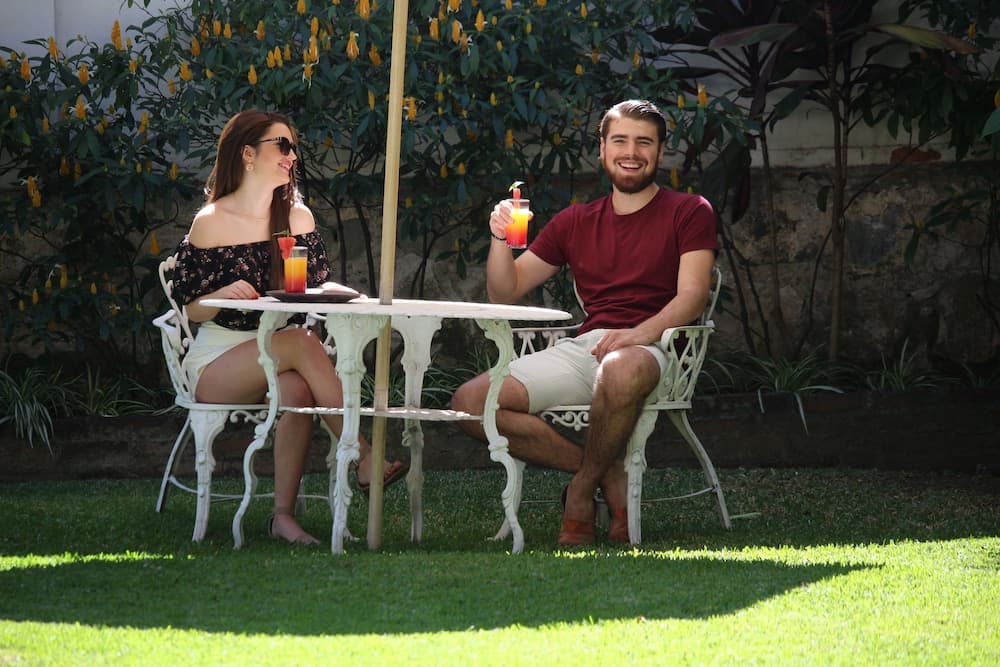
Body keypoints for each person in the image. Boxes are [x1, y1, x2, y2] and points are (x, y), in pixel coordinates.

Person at [451, 100, 718, 546]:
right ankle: (604, 473)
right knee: (470, 403)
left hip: (656, 347)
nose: (631, 152)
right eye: (620, 141)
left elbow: (692, 295)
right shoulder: (576, 220)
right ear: (602, 148)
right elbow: (505, 291)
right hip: (588, 347)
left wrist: (638, 334)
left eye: (644, 142)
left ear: (660, 151)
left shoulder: (690, 210)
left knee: (621, 366)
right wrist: (499, 238)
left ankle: (578, 493)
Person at [171, 110, 406, 545]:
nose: (291, 155)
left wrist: (338, 293)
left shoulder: (297, 218)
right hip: (220, 361)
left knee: (298, 391)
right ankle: (363, 454)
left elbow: (314, 288)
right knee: (299, 341)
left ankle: (283, 517)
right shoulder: (212, 221)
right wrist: (220, 292)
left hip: (280, 353)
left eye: (293, 147)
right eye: (281, 145)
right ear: (247, 154)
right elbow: (193, 311)